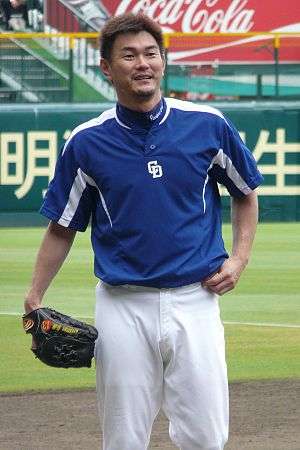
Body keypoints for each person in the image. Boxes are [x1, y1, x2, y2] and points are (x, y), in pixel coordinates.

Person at [24, 12, 263, 450]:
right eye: (129, 55)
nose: (143, 64)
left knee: (207, 436)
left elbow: (245, 192)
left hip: (197, 297)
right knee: (123, 436)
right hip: (122, 304)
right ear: (107, 67)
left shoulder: (207, 124)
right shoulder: (86, 142)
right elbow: (63, 226)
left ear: (163, 60)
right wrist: (34, 295)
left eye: (151, 53)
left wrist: (240, 258)